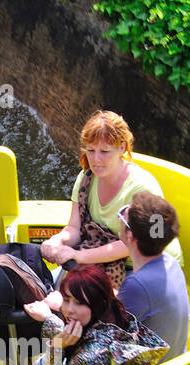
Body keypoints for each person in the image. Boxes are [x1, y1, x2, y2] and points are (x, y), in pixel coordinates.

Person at [39, 110, 182, 289]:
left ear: (122, 148)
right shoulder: (85, 178)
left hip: (146, 264)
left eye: (104, 151)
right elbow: (74, 228)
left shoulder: (142, 188)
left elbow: (144, 241)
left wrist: (80, 257)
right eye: (90, 150)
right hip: (100, 257)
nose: (96, 159)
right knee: (52, 289)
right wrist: (58, 241)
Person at [11, 263, 167, 365]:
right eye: (66, 300)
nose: (69, 310)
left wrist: (55, 348)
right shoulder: (116, 320)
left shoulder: (90, 358)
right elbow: (84, 339)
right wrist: (48, 318)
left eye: (79, 303)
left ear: (97, 303)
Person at [116, 192, 190, 361]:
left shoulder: (136, 285)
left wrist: (52, 318)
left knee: (52, 346)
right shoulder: (171, 263)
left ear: (130, 236)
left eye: (124, 215)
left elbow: (103, 341)